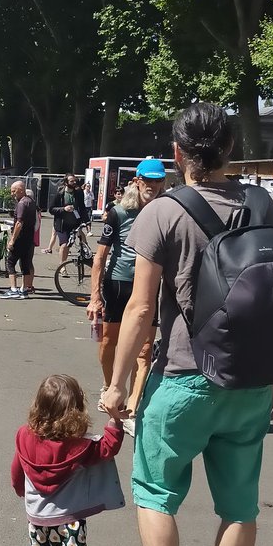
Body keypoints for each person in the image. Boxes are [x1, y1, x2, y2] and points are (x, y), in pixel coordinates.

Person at [103, 103, 273, 546]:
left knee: (156, 496)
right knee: (240, 507)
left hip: (183, 379)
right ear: (232, 149)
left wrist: (118, 386)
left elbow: (140, 310)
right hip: (252, 382)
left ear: (177, 154)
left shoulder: (162, 214)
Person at [11, 374, 124, 546]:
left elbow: (17, 470)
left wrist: (21, 490)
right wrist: (115, 421)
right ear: (75, 411)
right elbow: (107, 448)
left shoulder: (23, 436)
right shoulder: (79, 446)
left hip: (36, 514)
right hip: (68, 516)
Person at [87, 159, 167, 434]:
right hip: (118, 284)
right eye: (148, 180)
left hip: (149, 286)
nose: (153, 186)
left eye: (158, 181)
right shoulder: (119, 213)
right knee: (110, 341)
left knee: (145, 350)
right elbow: (100, 258)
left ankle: (132, 405)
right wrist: (94, 297)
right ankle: (111, 387)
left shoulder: (165, 212)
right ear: (137, 181)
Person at [2, 180, 38, 299]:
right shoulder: (31, 202)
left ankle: (13, 289)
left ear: (21, 190)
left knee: (10, 262)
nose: (12, 194)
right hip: (29, 238)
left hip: (21, 237)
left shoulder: (22, 203)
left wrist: (12, 240)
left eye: (14, 191)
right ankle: (24, 290)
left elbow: (19, 223)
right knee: (25, 263)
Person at [50, 174, 86, 276]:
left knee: (68, 246)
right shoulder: (59, 194)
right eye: (72, 181)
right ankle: (62, 267)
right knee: (64, 244)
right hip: (61, 224)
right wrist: (63, 209)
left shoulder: (79, 193)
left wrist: (86, 222)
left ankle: (64, 261)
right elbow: (51, 209)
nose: (74, 183)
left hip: (74, 224)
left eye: (75, 181)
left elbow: (82, 208)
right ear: (66, 183)